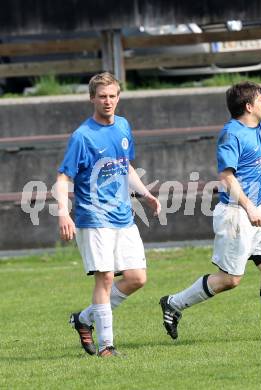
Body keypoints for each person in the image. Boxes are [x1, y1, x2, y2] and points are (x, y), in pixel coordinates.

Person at [160, 31, 261, 341]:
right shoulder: (232, 135)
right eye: (258, 99)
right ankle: (174, 303)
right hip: (237, 213)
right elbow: (226, 177)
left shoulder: (256, 123)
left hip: (254, 212)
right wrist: (250, 208)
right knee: (230, 279)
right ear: (247, 107)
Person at [57, 72, 161, 357]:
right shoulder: (82, 136)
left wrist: (145, 193)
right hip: (93, 217)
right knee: (104, 278)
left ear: (119, 97)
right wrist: (64, 214)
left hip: (123, 216)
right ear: (92, 98)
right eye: (102, 96)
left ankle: (83, 319)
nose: (108, 101)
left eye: (112, 96)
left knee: (137, 278)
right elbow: (63, 178)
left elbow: (124, 166)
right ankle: (106, 347)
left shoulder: (124, 126)